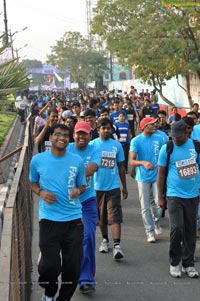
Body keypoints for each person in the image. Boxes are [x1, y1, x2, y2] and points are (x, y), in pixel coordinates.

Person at [29, 123, 86, 301]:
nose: (62, 138)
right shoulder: (38, 160)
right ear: (50, 137)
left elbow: (82, 185)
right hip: (49, 219)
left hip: (73, 219)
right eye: (58, 135)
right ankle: (49, 293)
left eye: (65, 135)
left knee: (73, 268)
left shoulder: (77, 161)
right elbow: (32, 182)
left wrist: (78, 190)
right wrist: (41, 192)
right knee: (50, 268)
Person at [157, 120, 199, 279]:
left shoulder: (195, 147)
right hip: (174, 195)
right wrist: (160, 196)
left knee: (190, 229)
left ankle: (188, 264)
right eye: (172, 136)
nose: (175, 139)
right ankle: (175, 262)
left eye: (178, 136)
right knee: (177, 228)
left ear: (186, 133)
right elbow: (161, 174)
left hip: (193, 194)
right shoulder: (167, 148)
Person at [67, 121, 99, 294]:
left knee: (87, 238)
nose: (81, 137)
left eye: (85, 133)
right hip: (66, 204)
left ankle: (86, 278)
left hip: (87, 203)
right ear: (74, 134)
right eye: (78, 133)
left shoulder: (95, 150)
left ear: (90, 135)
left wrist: (71, 172)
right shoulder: (67, 148)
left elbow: (91, 169)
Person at [90, 118, 128, 260]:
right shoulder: (92, 145)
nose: (106, 130)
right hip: (96, 187)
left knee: (115, 216)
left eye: (108, 128)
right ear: (98, 129)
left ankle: (117, 246)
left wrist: (124, 186)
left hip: (113, 187)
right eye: (103, 128)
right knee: (101, 218)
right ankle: (105, 240)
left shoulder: (116, 146)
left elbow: (121, 167)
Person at [129, 117, 164, 242]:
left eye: (155, 123)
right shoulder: (136, 141)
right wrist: (143, 162)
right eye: (152, 124)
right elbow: (132, 160)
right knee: (145, 206)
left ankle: (156, 222)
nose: (155, 125)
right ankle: (149, 232)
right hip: (143, 177)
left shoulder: (160, 138)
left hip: (157, 176)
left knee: (159, 203)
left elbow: (164, 156)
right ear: (144, 126)